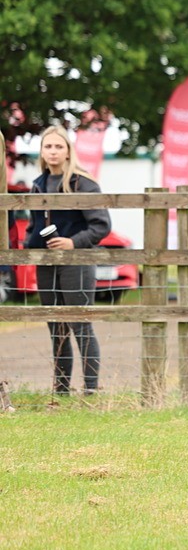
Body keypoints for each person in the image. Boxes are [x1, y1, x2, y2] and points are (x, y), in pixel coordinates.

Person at [25, 126, 112, 396]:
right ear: (41, 151)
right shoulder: (38, 184)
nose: (53, 152)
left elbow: (101, 225)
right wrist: (30, 242)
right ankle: (61, 389)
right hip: (46, 262)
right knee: (56, 326)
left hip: (77, 261)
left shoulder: (84, 183)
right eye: (48, 146)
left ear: (68, 151)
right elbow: (33, 224)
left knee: (80, 323)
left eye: (58, 146)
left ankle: (91, 389)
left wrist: (73, 242)